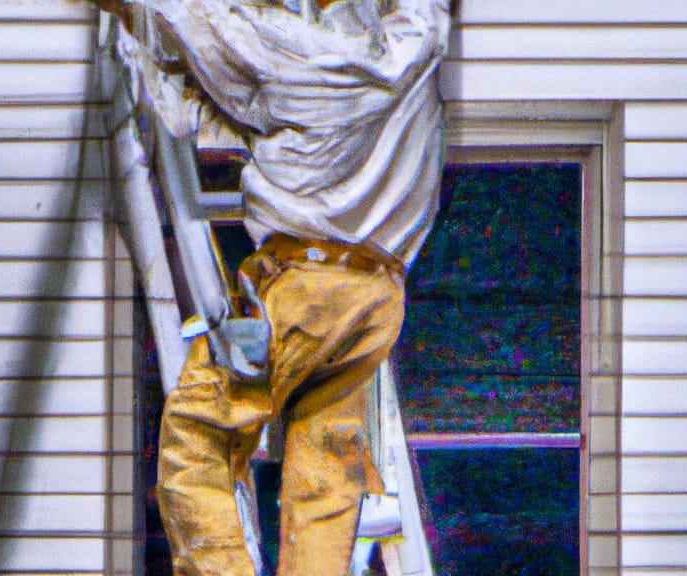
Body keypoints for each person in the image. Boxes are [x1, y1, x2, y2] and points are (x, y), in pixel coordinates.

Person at [89, 0, 450, 574]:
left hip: (303, 285)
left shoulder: (309, 60)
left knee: (198, 436)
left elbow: (219, 32)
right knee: (326, 472)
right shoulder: (418, 39)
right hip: (378, 299)